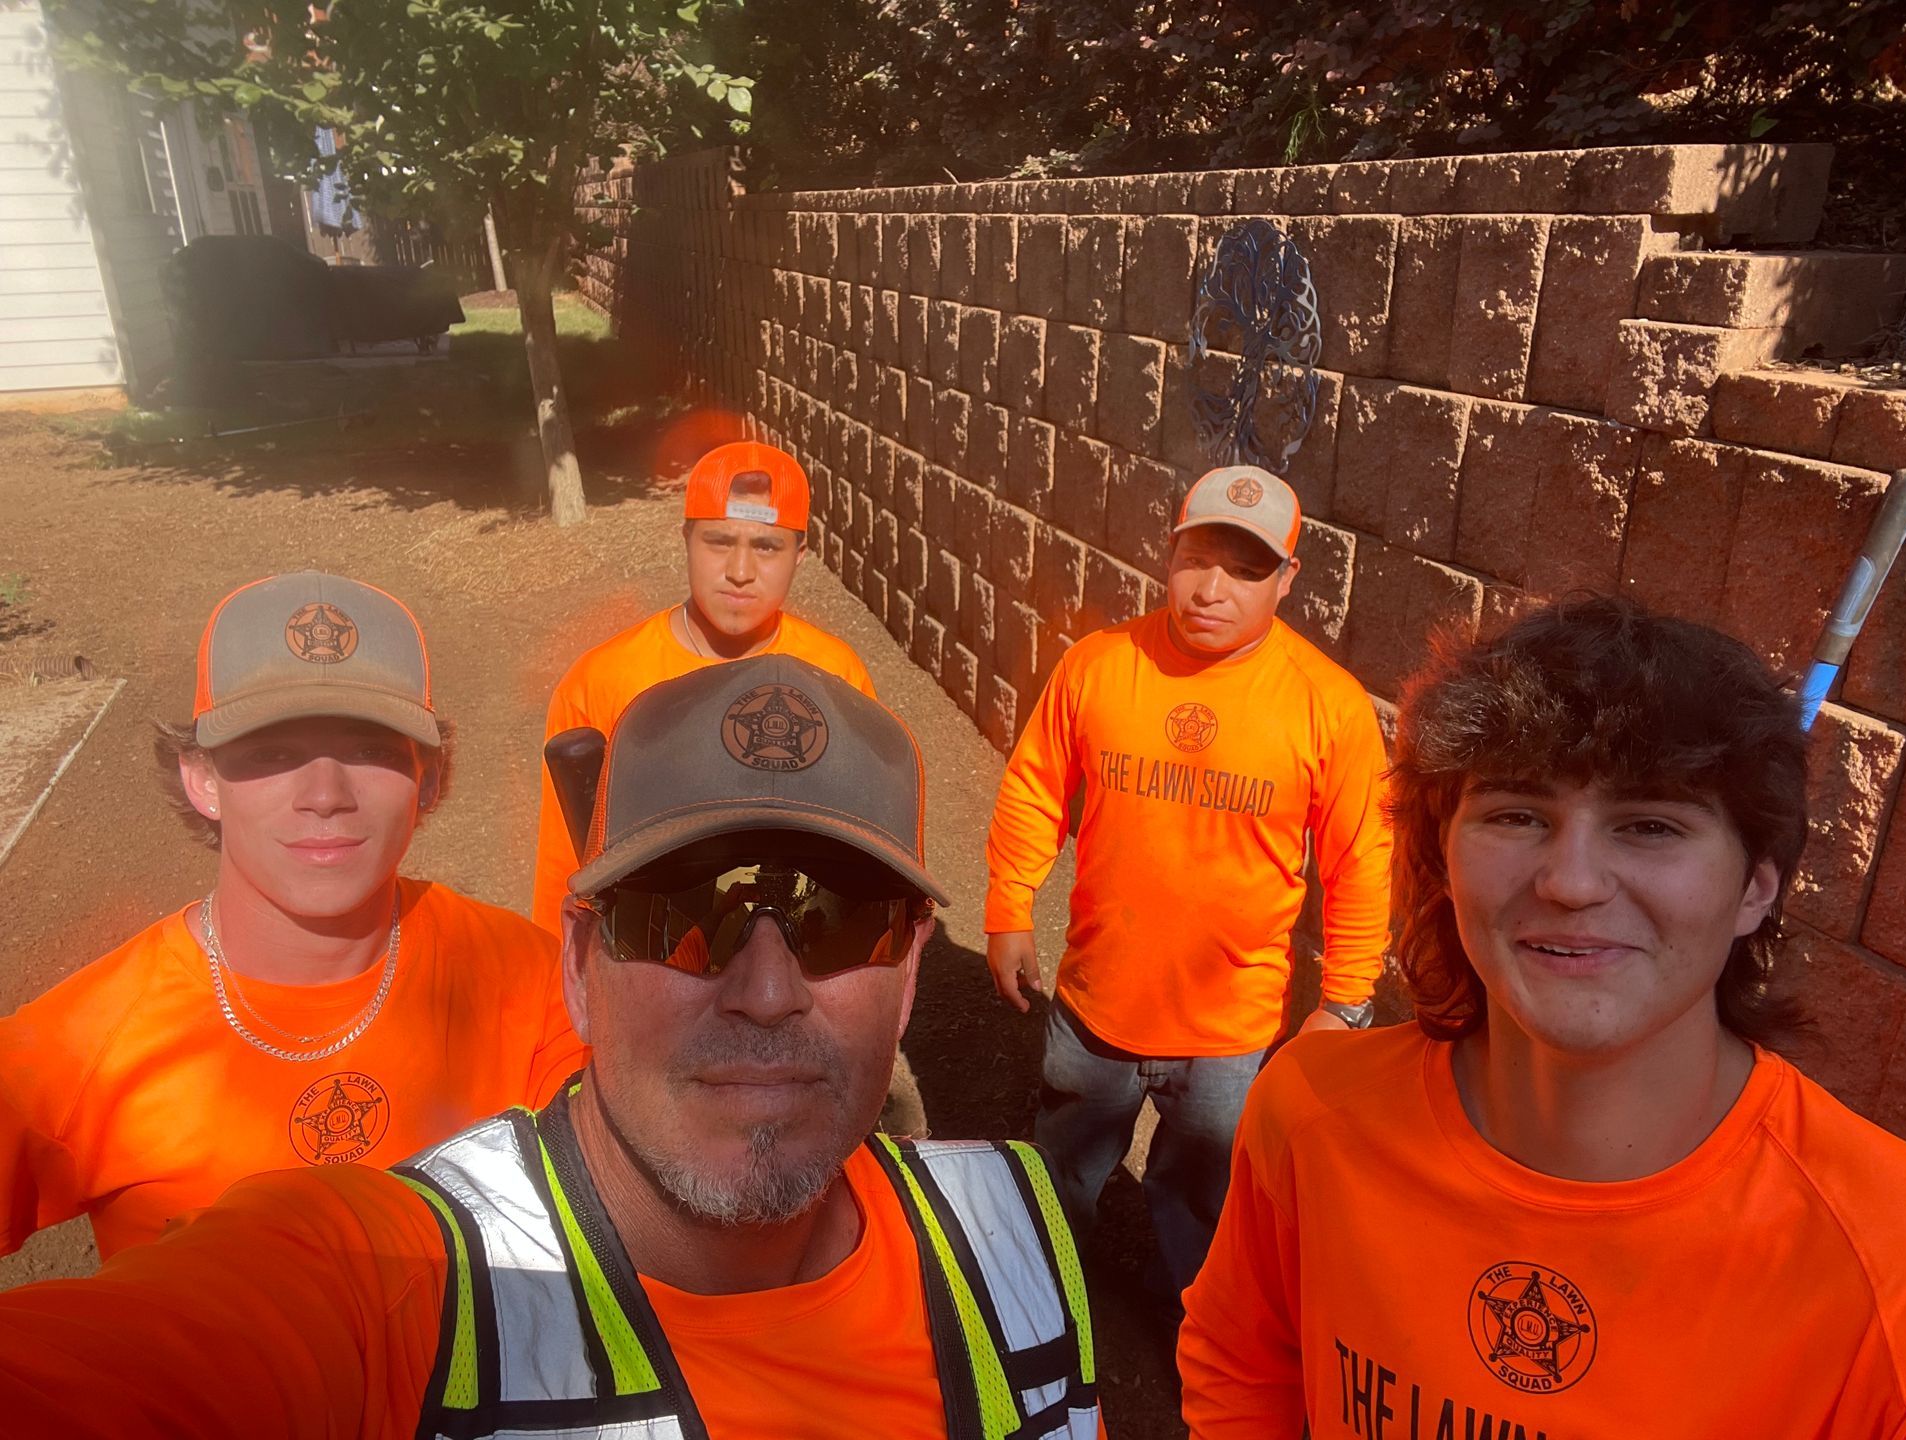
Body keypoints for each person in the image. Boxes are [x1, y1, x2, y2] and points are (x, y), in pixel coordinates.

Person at [0, 655, 1102, 1440]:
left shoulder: (1022, 1236)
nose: (767, 992)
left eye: (836, 918)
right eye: (682, 910)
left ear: (909, 972)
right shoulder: (404, 1285)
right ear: (577, 962)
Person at [1179, 596, 1906, 1438]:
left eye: (1649, 825)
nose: (1571, 882)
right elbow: (1241, 1365)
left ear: (1758, 884)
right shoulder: (1308, 1112)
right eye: (1517, 815)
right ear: (1441, 860)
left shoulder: (1893, 1265)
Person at [0, 572, 583, 1260]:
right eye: (274, 754)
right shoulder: (76, 1051)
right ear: (203, 780)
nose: (326, 794)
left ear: (426, 778)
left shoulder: (526, 979)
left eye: (371, 750)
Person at [983, 465, 1393, 1306]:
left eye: (1246, 569)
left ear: (1287, 580)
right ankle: (1044, 1307)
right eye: (1197, 557)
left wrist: (1345, 1001)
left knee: (1204, 1198)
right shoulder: (1098, 667)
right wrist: (1008, 905)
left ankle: (1196, 1337)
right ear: (1168, 555)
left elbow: (1361, 861)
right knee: (1063, 1165)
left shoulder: (1329, 707)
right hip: (1100, 1002)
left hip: (1229, 1031)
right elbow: (1034, 787)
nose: (1211, 588)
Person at [530, 439, 874, 935]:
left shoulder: (836, 676)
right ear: (686, 539)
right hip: (646, 955)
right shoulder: (602, 679)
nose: (739, 571)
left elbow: (863, 854)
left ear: (800, 555)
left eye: (766, 546)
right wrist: (559, 995)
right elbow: (563, 867)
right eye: (719, 541)